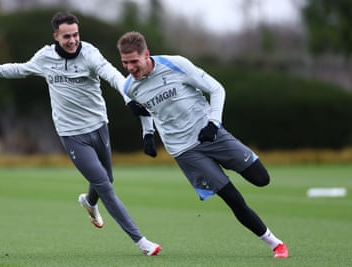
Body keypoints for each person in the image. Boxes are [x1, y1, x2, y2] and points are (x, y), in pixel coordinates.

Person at [0, 13, 161, 256]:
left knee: (107, 178)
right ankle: (142, 242)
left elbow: (114, 77)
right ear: (56, 36)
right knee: (106, 187)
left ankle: (89, 202)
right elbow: (21, 69)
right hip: (72, 134)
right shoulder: (46, 57)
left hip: (99, 126)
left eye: (76, 34)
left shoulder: (90, 54)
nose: (73, 40)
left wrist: (129, 100)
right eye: (67, 36)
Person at [116, 31, 288, 258]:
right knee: (233, 199)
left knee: (261, 179)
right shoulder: (129, 87)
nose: (129, 67)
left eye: (134, 61)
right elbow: (144, 111)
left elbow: (217, 89)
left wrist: (213, 124)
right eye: (125, 62)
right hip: (184, 150)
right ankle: (276, 244)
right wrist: (148, 134)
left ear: (146, 54)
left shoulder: (176, 64)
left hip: (211, 134)